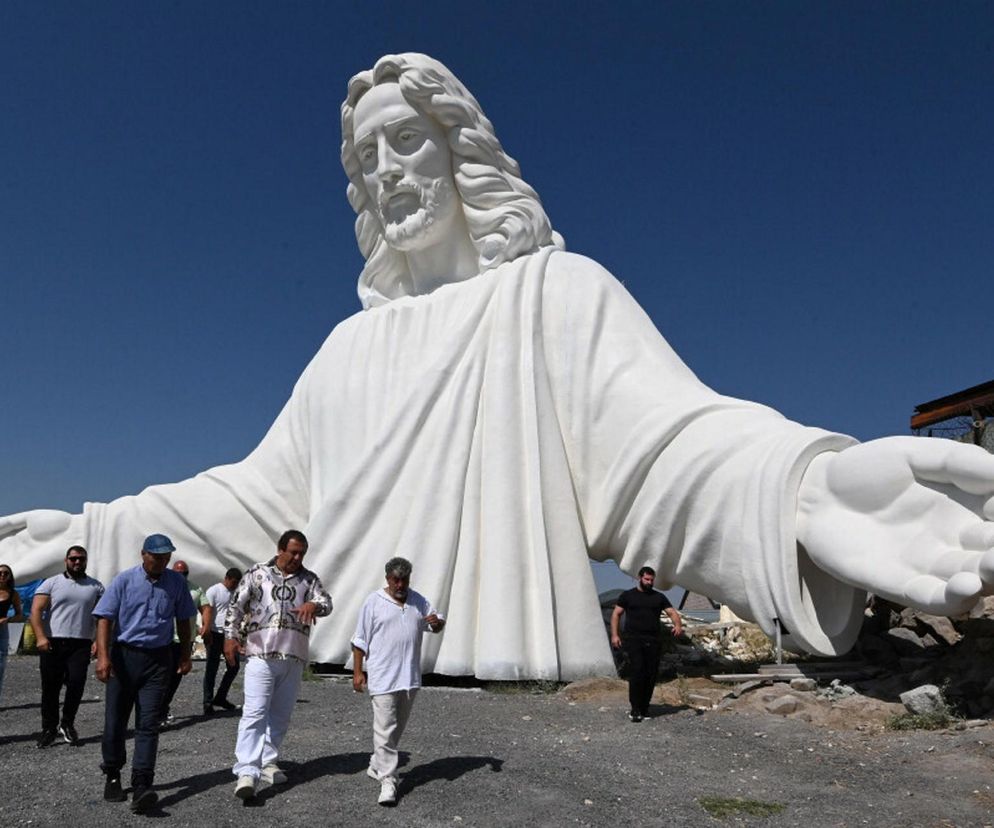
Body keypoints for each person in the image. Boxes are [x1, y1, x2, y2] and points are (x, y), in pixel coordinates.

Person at [4, 53, 994, 682]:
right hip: (352, 673)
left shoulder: (554, 292)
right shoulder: (347, 348)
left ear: (456, 153)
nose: (387, 169)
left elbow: (660, 449)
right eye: (366, 158)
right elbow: (257, 501)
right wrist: (94, 525)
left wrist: (801, 487)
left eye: (407, 142)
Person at [92, 534, 196, 814]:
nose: (162, 562)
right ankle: (113, 773)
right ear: (143, 554)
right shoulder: (124, 580)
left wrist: (185, 655)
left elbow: (183, 620)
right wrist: (103, 657)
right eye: (157, 556)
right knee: (115, 720)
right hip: (124, 657)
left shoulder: (176, 583)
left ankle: (142, 784)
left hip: (158, 659)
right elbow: (105, 619)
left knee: (149, 723)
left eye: (166, 557)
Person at [224, 530, 331, 800]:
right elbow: (235, 607)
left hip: (293, 657)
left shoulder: (309, 579)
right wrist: (230, 638)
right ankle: (247, 770)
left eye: (302, 553)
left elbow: (327, 603)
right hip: (261, 654)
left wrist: (312, 605)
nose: (297, 557)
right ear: (280, 549)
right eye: (293, 552)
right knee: (255, 712)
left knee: (280, 715)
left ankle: (268, 761)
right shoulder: (257, 573)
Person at [352, 557, 445, 806]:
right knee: (384, 729)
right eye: (396, 579)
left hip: (410, 678)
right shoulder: (374, 602)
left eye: (404, 579)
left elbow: (435, 622)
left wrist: (437, 623)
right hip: (383, 677)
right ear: (387, 579)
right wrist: (358, 672)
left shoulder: (418, 601)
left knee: (396, 729)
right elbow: (359, 640)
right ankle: (388, 781)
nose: (400, 584)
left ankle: (376, 765)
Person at [29, 545, 104, 746]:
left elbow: (102, 618)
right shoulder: (51, 583)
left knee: (77, 683)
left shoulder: (96, 587)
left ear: (86, 561)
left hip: (80, 643)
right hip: (53, 641)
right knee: (50, 688)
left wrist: (99, 641)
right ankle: (48, 728)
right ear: (66, 560)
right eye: (73, 559)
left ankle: (67, 723)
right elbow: (36, 611)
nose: (77, 562)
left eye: (81, 559)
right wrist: (41, 637)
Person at [610, 566, 682, 722]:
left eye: (651, 580)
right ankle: (635, 709)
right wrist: (615, 635)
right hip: (634, 640)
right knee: (637, 673)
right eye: (647, 579)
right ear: (640, 578)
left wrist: (677, 625)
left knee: (650, 674)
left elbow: (672, 612)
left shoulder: (659, 597)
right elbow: (616, 614)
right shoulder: (628, 596)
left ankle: (644, 707)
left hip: (653, 641)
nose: (649, 582)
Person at [159, 559, 207, 726]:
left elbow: (206, 606)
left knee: (177, 674)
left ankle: (162, 707)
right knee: (164, 674)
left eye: (184, 573)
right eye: (178, 573)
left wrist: (206, 624)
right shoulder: (164, 585)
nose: (182, 576)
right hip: (166, 637)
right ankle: (158, 709)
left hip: (185, 639)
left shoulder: (195, 589)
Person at [201, 567, 242, 715]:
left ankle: (220, 697)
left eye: (237, 583)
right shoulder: (214, 591)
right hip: (215, 632)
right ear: (227, 578)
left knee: (234, 666)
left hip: (228, 635)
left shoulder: (235, 594)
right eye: (234, 582)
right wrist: (206, 629)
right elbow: (207, 610)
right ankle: (207, 702)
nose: (235, 585)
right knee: (212, 667)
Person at [0, 563, 25, 702]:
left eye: (6, 573)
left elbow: (20, 615)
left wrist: (7, 619)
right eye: (0, 573)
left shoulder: (12, 593)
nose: (2, 575)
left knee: (0, 666)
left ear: (10, 576)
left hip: (2, 631)